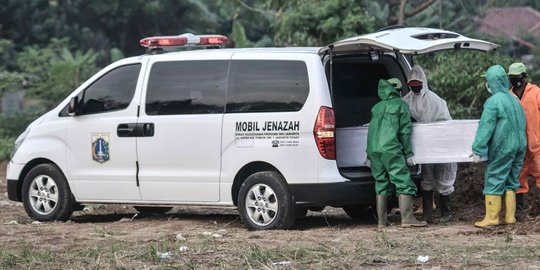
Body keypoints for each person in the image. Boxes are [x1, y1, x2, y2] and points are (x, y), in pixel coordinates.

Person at [471, 65, 527, 228]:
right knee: (511, 180)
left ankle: (492, 218)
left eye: (487, 81)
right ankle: (510, 217)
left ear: (492, 82)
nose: (486, 84)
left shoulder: (494, 101)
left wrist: (478, 149)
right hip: (520, 144)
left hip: (504, 146)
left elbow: (486, 126)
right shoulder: (514, 99)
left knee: (494, 177)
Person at [367, 79, 427, 228]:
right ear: (399, 91)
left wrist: (368, 154)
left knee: (381, 182)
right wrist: (408, 154)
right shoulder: (401, 105)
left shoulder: (376, 107)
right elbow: (405, 132)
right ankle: (407, 219)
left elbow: (371, 131)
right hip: (391, 149)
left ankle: (382, 221)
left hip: (374, 150)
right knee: (403, 182)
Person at [402, 65, 457, 223]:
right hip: (423, 147)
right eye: (411, 85)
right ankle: (428, 215)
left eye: (417, 84)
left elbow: (446, 122)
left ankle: (446, 213)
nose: (414, 87)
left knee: (444, 177)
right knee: (426, 178)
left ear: (423, 82)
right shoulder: (407, 100)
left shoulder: (434, 100)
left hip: (438, 144)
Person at [508, 62, 540, 219]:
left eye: (517, 77)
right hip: (518, 146)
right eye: (512, 78)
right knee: (518, 178)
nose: (515, 80)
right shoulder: (509, 95)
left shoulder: (536, 93)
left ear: (525, 77)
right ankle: (519, 212)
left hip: (536, 145)